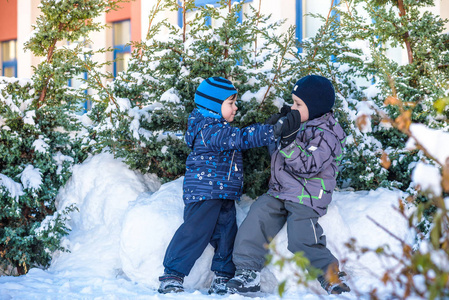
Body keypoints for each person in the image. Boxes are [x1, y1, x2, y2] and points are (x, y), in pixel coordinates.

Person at [158, 76, 301, 295]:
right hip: (204, 194)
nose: (236, 107)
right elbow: (240, 138)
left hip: (223, 193)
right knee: (195, 232)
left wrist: (270, 127)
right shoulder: (209, 130)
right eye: (231, 103)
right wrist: (270, 131)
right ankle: (172, 274)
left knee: (227, 234)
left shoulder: (218, 127)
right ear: (214, 106)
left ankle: (223, 277)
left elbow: (237, 137)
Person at [226, 75, 351, 295]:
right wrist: (276, 131)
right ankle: (247, 271)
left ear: (315, 107)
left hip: (307, 195)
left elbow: (308, 166)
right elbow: (279, 156)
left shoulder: (326, 135)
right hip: (281, 190)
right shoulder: (301, 124)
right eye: (293, 102)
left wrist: (288, 140)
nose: (293, 107)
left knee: (302, 236)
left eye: (298, 104)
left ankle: (329, 274)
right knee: (257, 216)